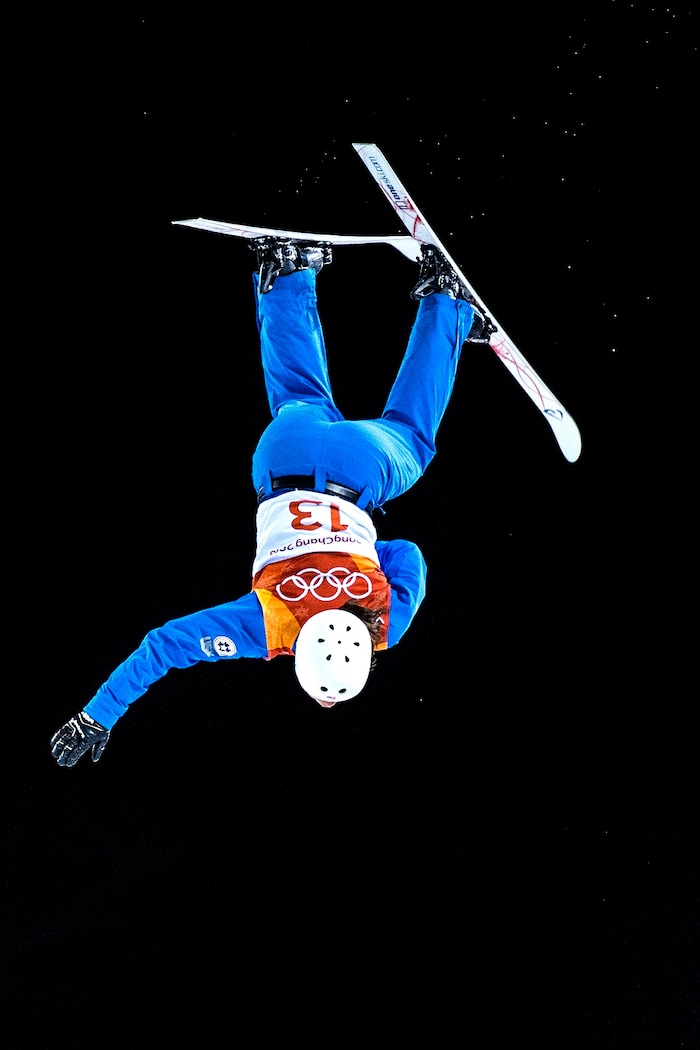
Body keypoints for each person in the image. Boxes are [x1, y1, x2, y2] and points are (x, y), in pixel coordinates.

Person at [50, 237, 492, 767]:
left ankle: (447, 303)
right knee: (300, 396)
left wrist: (356, 547)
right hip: (282, 459)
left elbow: (409, 553)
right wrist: (95, 716)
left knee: (411, 436)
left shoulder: (387, 621)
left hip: (361, 469)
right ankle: (288, 272)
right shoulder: (266, 625)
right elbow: (164, 646)